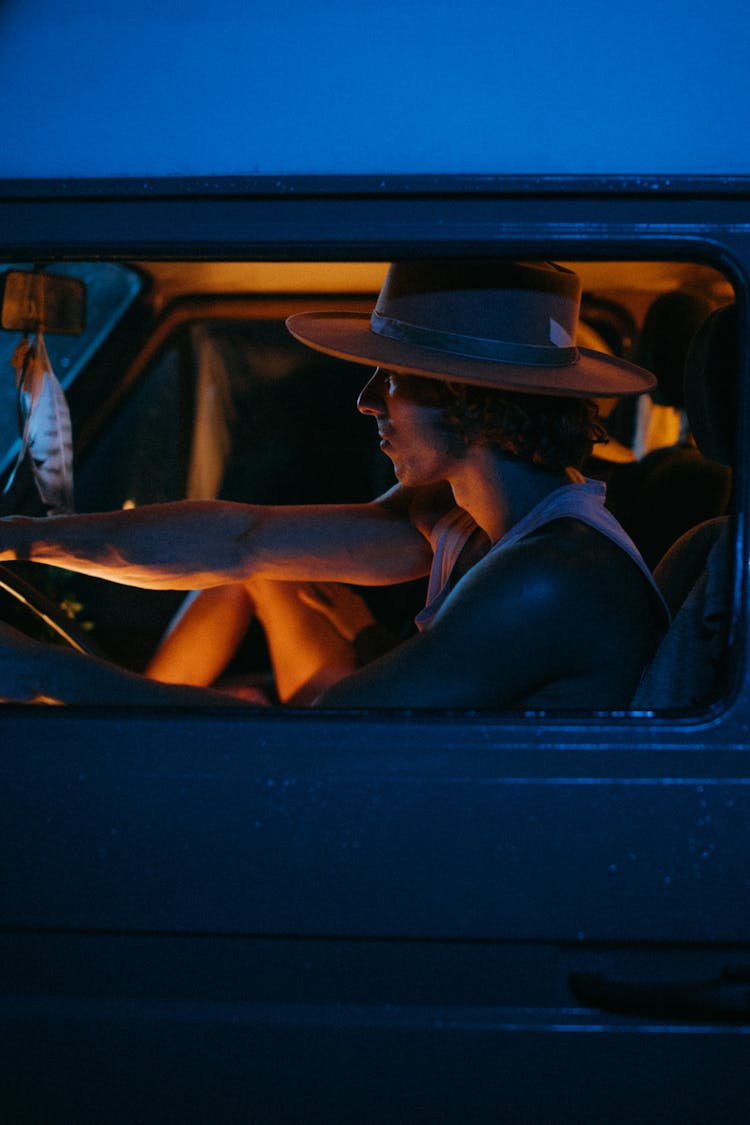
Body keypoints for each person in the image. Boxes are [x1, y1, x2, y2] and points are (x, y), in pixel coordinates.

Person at [0, 260, 668, 709]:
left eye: (395, 377)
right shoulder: (462, 517)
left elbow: (320, 749)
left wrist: (47, 672)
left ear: (474, 401)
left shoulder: (551, 575)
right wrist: (22, 538)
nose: (367, 400)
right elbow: (242, 540)